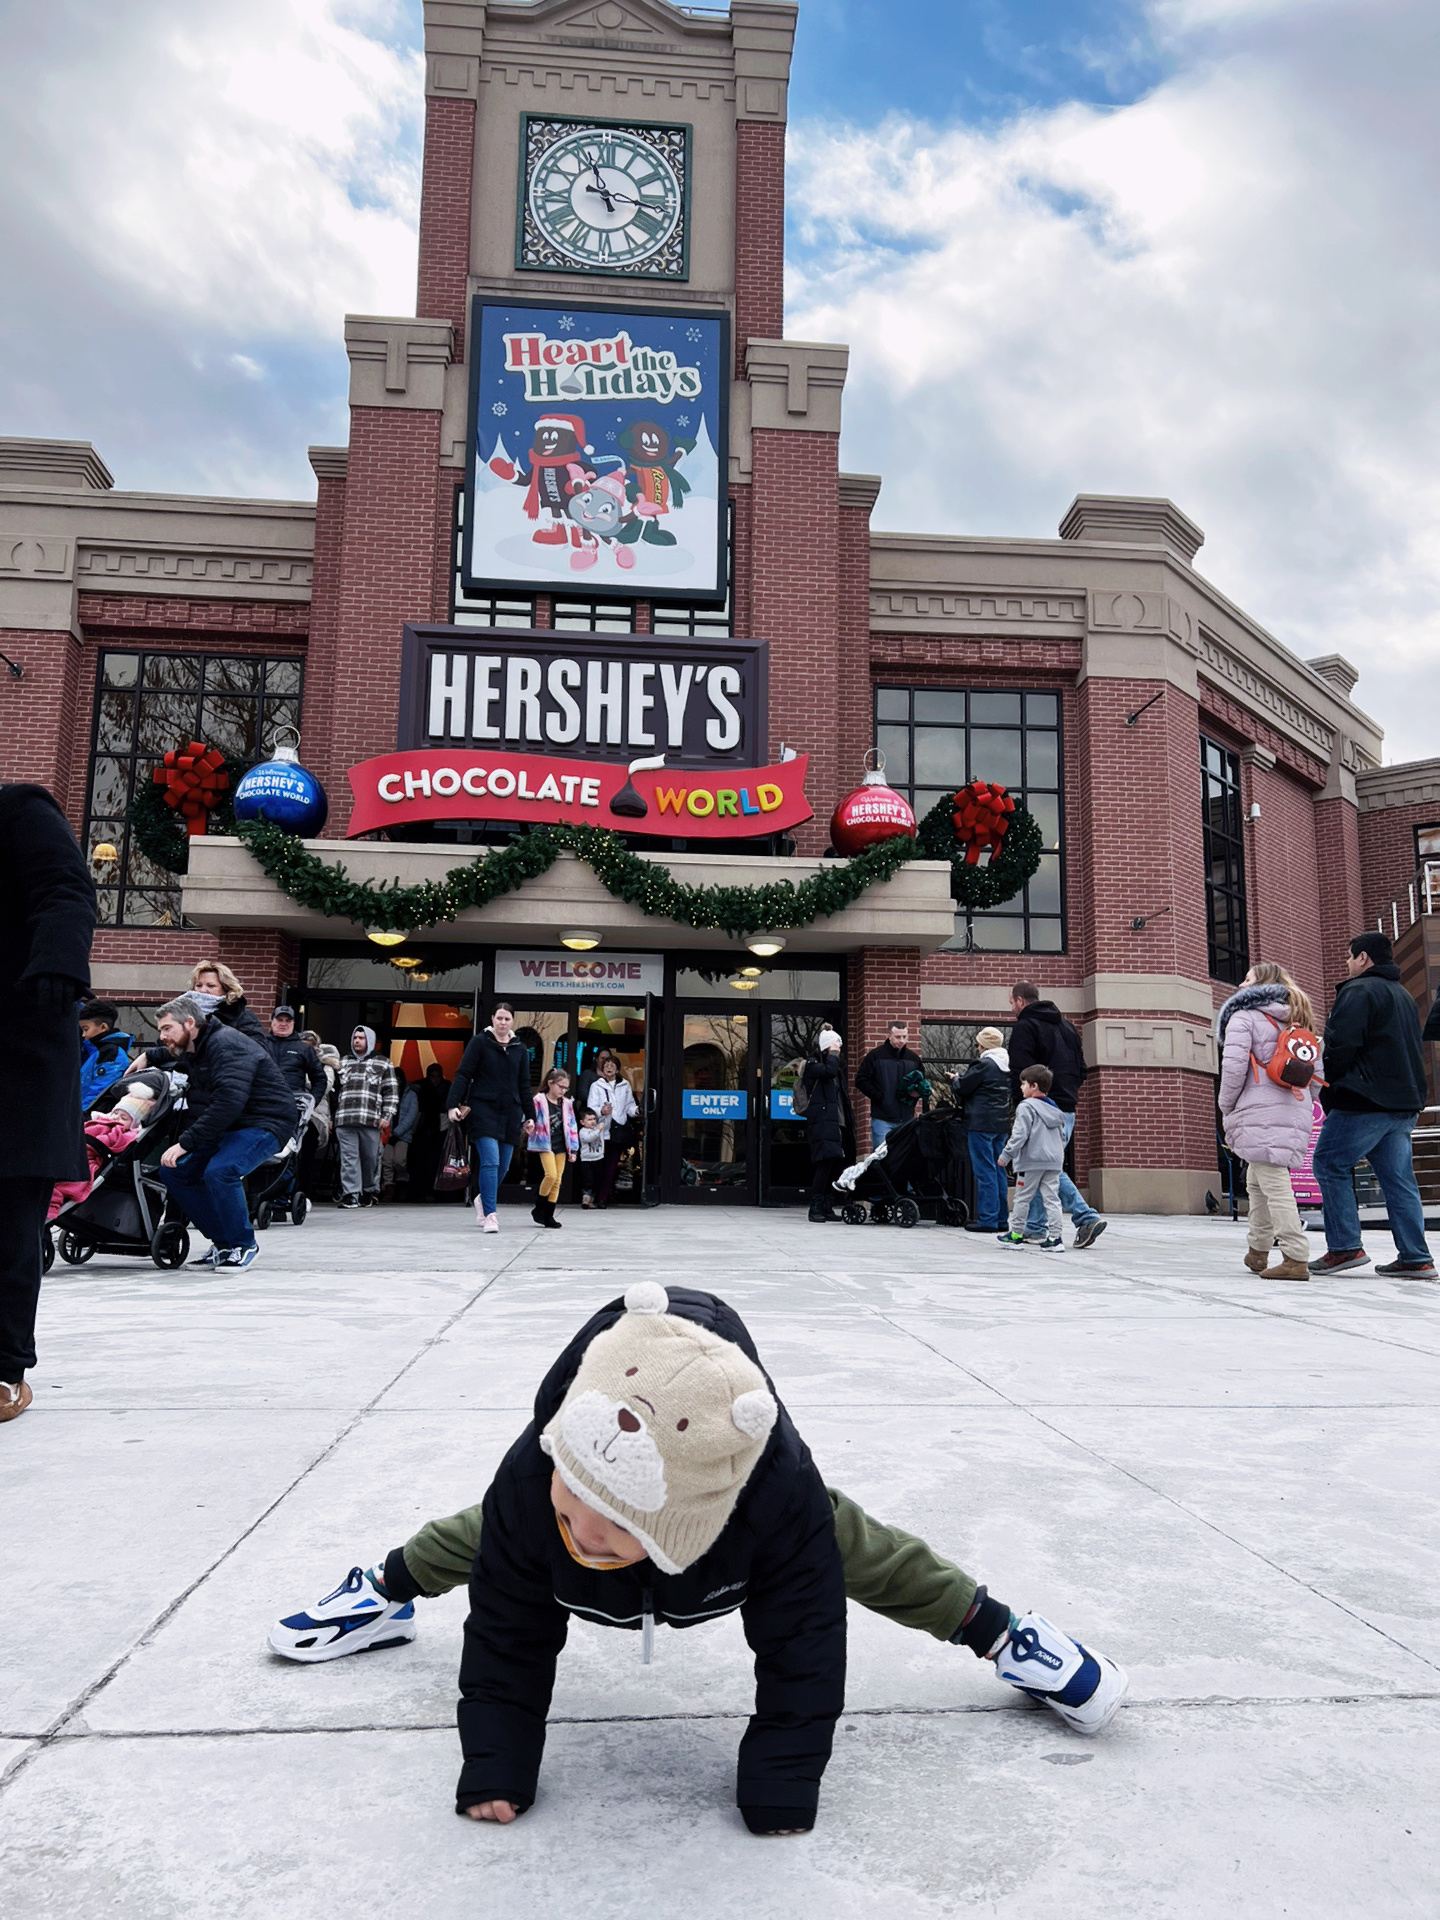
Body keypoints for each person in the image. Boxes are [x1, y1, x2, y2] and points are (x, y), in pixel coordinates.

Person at [268, 1284, 1129, 1834]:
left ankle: (1009, 1636)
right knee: (477, 1536)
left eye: (606, 1522)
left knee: (865, 1551)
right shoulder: (537, 1487)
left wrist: (783, 1786)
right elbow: (504, 1641)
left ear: (687, 1520)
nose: (580, 1530)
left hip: (751, 1514)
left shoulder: (774, 1505)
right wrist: (495, 1763)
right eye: (571, 1503)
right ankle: (378, 1593)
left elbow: (803, 1649)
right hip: (537, 1504)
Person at [0, 785, 96, 1423]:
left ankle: (4, 1368)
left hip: (13, 1048)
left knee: (6, 1223)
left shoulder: (17, 810)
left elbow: (66, 889)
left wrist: (57, 965)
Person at [139, 993, 298, 1269]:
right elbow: (170, 1052)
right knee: (174, 1171)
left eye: (167, 1028)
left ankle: (244, 1244)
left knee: (221, 1170)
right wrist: (147, 1055)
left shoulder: (226, 1044)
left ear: (189, 1023)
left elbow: (228, 1102)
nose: (162, 1036)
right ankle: (224, 1244)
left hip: (265, 1122)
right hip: (232, 1125)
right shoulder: (198, 1045)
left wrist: (185, 1143)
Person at [1311, 933, 1436, 1279]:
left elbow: (1341, 1047)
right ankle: (1415, 1257)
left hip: (1364, 1101)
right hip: (1404, 1104)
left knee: (1328, 1162)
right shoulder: (1403, 996)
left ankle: (1344, 1247)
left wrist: (1330, 1089)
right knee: (1399, 1180)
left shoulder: (1358, 991)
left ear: (1364, 958)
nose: (1347, 964)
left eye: (1350, 957)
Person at [1216, 963, 1320, 1281]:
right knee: (1258, 1181)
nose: (1240, 983)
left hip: (1257, 1110)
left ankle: (1295, 1256)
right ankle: (1258, 1251)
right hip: (1293, 1106)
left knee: (1274, 1184)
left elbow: (1234, 1068)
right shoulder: (1299, 1018)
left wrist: (1225, 1105)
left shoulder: (1243, 1017)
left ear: (1260, 984)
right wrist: (1300, 1105)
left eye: (1246, 978)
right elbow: (1316, 1076)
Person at [1006, 982, 1107, 1249]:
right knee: (1043, 1164)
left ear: (1020, 1001)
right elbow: (1082, 1069)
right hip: (1065, 1108)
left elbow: (1020, 1069)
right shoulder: (1067, 1028)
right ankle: (1036, 1227)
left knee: (1042, 1165)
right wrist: (1067, 1092)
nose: (1012, 1008)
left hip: (1038, 1108)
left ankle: (1086, 1217)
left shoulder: (1025, 1028)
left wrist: (1021, 1106)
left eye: (1012, 1003)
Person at [447, 1003, 530, 1230]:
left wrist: (529, 1116)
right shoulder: (480, 1042)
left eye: (507, 1019)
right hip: (483, 1109)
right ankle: (491, 1214)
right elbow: (464, 1074)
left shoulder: (520, 1048)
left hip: (510, 1113)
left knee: (503, 1166)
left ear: (513, 1021)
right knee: (490, 1161)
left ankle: (483, 1199)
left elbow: (524, 1085)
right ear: (493, 1019)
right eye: (499, 1018)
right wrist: (452, 1104)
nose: (503, 1023)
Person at [998, 1064, 1067, 1249]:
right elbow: (1063, 1136)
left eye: (1023, 1084)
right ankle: (1055, 1238)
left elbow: (1020, 1135)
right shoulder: (1054, 1108)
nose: (1021, 1087)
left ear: (1034, 1086)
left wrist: (1006, 1155)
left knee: (1022, 1198)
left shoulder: (1026, 1107)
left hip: (1031, 1162)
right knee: (1052, 1199)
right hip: (1053, 1162)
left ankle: (1016, 1234)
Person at [949, 1027, 1012, 1232]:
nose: (977, 1048)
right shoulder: (1007, 1065)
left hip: (980, 1125)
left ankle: (988, 1219)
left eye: (978, 1044)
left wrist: (955, 1079)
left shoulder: (983, 1064)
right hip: (1001, 1125)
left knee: (985, 1172)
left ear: (983, 1045)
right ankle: (1002, 1219)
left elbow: (963, 1087)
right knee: (999, 1171)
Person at [334, 1026, 402, 1211]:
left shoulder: (383, 1063)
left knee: (370, 1158)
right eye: (355, 1037)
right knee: (349, 1158)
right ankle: (350, 1195)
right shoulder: (342, 1062)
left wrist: (386, 1116)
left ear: (369, 1041)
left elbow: (391, 1092)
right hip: (345, 1118)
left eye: (361, 1038)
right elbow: (333, 1091)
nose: (357, 1041)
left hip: (371, 1119)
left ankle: (368, 1191)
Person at [801, 1026, 853, 1222]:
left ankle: (827, 1205)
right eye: (835, 1048)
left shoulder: (835, 1068)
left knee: (835, 1164)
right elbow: (829, 1071)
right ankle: (815, 1206)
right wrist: (832, 1054)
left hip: (837, 1121)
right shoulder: (813, 1066)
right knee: (825, 1163)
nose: (839, 1051)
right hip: (822, 1122)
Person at [854, 1019, 924, 1147]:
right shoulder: (875, 1056)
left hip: (907, 1118)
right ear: (889, 1036)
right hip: (882, 1118)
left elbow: (921, 1083)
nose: (901, 1040)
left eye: (904, 1036)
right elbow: (861, 1080)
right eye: (897, 1037)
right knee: (881, 1158)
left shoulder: (913, 1059)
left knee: (904, 1159)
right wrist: (880, 1096)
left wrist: (915, 1095)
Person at [523, 1066, 578, 1228]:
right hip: (544, 1144)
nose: (563, 1091)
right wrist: (528, 1124)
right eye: (560, 1086)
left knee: (558, 1180)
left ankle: (548, 1215)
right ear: (550, 1083)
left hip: (562, 1145)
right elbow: (528, 1117)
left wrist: (573, 1149)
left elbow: (572, 1126)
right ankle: (539, 1206)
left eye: (566, 1088)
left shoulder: (567, 1104)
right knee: (551, 1175)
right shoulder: (539, 1100)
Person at [586, 1048, 640, 1209]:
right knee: (598, 1168)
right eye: (606, 1064)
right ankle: (599, 1195)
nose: (609, 1067)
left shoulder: (625, 1086)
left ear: (617, 1069)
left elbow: (629, 1106)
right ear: (602, 1068)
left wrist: (636, 1111)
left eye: (612, 1065)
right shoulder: (596, 1086)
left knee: (611, 1167)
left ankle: (602, 1199)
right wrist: (601, 1111)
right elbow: (591, 1107)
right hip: (600, 1132)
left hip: (617, 1133)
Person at [187, 960, 268, 1045]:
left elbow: (257, 1051)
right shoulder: (183, 1014)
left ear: (226, 989)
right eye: (199, 985)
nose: (202, 990)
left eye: (211, 986)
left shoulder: (244, 1018)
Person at [78, 1001, 137, 1109]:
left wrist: (82, 1116)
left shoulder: (110, 1053)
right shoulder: (95, 1052)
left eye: (86, 1029)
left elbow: (100, 1091)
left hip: (92, 1118)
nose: (83, 1034)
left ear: (103, 1027)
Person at [262, 1006, 327, 1104]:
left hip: (292, 1105)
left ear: (293, 1023)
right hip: (262, 1104)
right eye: (280, 1020)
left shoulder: (304, 1049)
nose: (283, 1024)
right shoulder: (260, 1045)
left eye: (288, 1021)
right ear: (272, 1022)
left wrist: (311, 1103)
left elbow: (319, 1079)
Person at [408, 1061, 451, 1202]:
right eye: (432, 1076)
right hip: (424, 1130)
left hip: (442, 1129)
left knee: (439, 1163)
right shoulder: (421, 1087)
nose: (435, 1079)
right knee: (422, 1163)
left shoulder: (448, 1087)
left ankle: (438, 1193)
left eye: (438, 1076)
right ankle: (423, 1192)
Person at [384, 1077, 420, 1201]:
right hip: (387, 1133)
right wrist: (388, 1132)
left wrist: (397, 1132)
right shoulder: (386, 1093)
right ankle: (388, 1188)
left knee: (400, 1160)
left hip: (403, 1135)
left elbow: (411, 1116)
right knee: (387, 1161)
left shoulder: (411, 1095)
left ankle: (402, 1183)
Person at [576, 1107, 605, 1206]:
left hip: (598, 1158)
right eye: (589, 1120)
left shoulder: (598, 1129)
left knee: (597, 1179)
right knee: (587, 1179)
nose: (592, 1122)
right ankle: (586, 1198)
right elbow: (589, 1138)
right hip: (586, 1159)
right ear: (582, 1122)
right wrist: (598, 1130)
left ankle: (591, 1200)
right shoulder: (583, 1132)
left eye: (594, 1119)